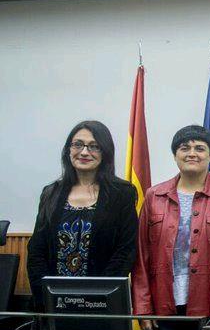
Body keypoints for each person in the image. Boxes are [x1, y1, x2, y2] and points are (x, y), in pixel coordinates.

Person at [134, 125, 210, 330]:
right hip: (163, 305)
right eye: (184, 148)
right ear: (175, 155)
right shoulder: (154, 195)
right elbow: (141, 256)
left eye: (200, 148)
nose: (192, 153)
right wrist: (142, 307)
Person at [27, 120, 138, 309]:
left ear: (105, 152)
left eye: (94, 146)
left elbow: (125, 251)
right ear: (68, 150)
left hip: (102, 304)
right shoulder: (50, 193)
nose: (85, 152)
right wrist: (45, 295)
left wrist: (97, 296)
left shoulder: (122, 193)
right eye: (78, 144)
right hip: (52, 303)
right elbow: (36, 251)